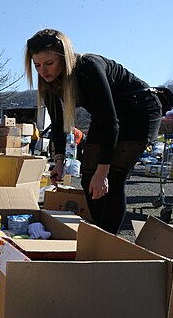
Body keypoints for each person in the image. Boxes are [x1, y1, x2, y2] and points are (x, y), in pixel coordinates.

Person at [24, 28, 161, 234]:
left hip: (138, 110)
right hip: (106, 115)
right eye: (37, 65)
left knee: (112, 178)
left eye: (49, 63)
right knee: (89, 177)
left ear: (64, 57)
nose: (43, 70)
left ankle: (106, 240)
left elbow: (110, 122)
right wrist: (58, 162)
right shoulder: (49, 82)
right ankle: (100, 232)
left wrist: (103, 170)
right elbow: (59, 124)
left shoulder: (87, 67)